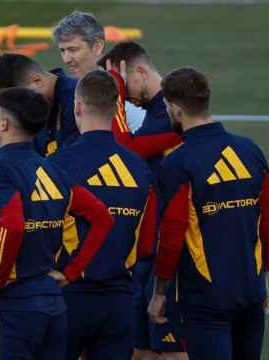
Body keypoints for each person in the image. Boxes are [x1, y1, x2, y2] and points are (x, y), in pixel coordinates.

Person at [0, 87, 115, 359]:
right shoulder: (53, 170)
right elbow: (102, 219)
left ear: (4, 124)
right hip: (53, 306)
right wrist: (70, 272)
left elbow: (12, 224)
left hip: (12, 307)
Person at [147, 68, 269, 360]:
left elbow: (172, 233)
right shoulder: (250, 150)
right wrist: (264, 274)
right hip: (250, 289)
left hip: (205, 298)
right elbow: (268, 221)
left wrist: (159, 293)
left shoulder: (178, 163)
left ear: (176, 109)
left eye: (167, 108)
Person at [46, 70, 157, 359]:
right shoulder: (140, 169)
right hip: (120, 301)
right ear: (115, 108)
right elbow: (146, 244)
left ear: (78, 107)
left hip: (67, 295)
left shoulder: (56, 163)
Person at [101, 42, 186, 360]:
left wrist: (118, 98)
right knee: (142, 349)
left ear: (138, 71)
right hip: (149, 243)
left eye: (120, 81)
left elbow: (126, 152)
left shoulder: (172, 109)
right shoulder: (154, 111)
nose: (121, 91)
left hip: (170, 242)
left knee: (171, 349)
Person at [52, 10, 146, 132]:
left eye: (73, 50)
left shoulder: (124, 90)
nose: (66, 59)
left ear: (97, 47)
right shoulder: (71, 87)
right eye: (63, 51)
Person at [0, 53, 79, 156]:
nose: (16, 108)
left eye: (20, 98)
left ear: (37, 80)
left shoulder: (80, 97)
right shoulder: (32, 114)